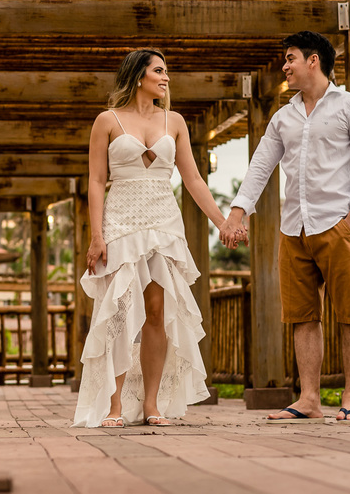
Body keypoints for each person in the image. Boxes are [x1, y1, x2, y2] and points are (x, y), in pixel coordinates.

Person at [221, 31, 350, 424]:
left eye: (290, 58)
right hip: (293, 228)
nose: (285, 66)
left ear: (313, 60)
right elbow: (261, 166)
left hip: (338, 224)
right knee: (302, 316)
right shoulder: (283, 117)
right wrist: (237, 214)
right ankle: (309, 398)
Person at [72, 48, 227, 428]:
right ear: (138, 75)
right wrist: (96, 236)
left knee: (157, 312)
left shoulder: (174, 121)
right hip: (120, 220)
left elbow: (192, 180)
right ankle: (114, 406)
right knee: (120, 314)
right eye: (159, 70)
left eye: (166, 71)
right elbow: (95, 181)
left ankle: (152, 404)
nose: (166, 77)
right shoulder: (106, 121)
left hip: (162, 221)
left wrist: (222, 222)